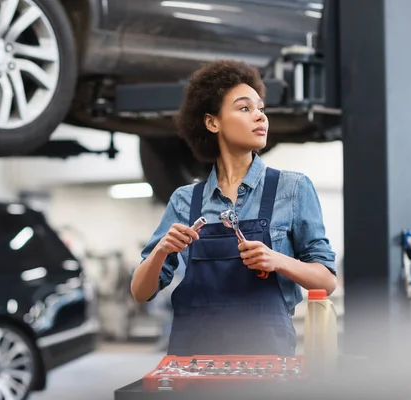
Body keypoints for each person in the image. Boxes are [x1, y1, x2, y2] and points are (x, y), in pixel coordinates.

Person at [130, 60, 337, 357]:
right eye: (244, 108)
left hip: (266, 358)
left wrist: (276, 260)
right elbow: (140, 292)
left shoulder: (292, 189)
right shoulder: (185, 200)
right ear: (212, 122)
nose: (260, 117)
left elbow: (326, 280)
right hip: (195, 361)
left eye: (261, 109)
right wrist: (162, 250)